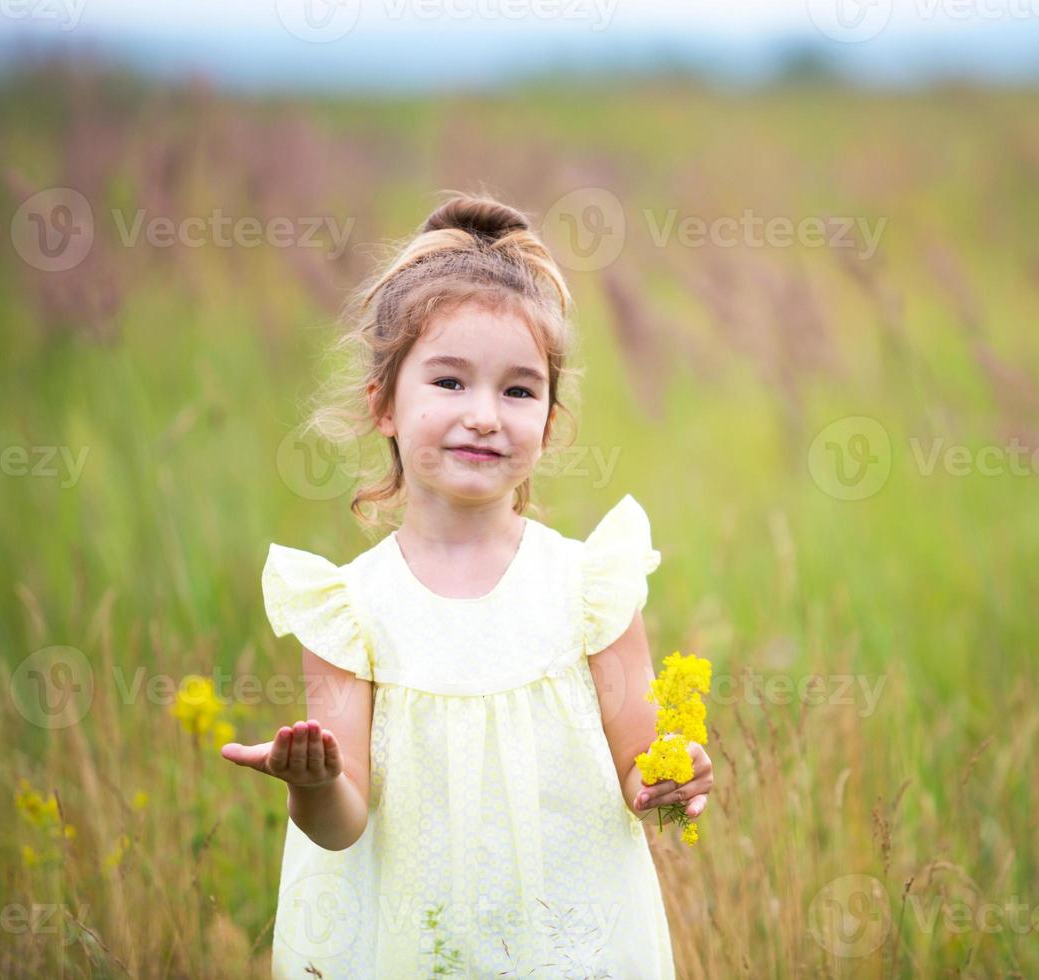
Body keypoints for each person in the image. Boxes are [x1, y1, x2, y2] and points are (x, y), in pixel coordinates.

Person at [220, 192, 712, 978]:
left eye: (518, 391)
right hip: (416, 947)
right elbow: (344, 822)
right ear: (382, 401)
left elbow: (638, 768)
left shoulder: (590, 586)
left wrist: (671, 776)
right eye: (449, 382)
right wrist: (310, 787)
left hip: (564, 946)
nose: (485, 415)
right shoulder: (348, 610)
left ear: (548, 424)